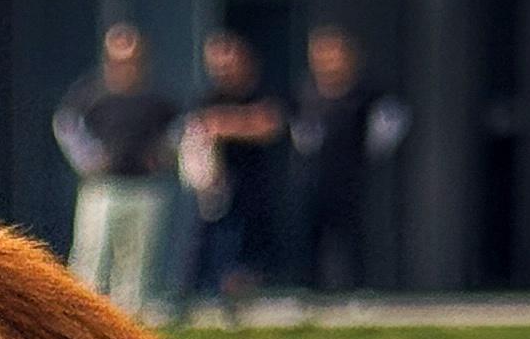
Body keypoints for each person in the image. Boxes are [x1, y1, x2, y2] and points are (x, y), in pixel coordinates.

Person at [49, 20, 178, 319]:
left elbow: (177, 131)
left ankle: (130, 323)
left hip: (145, 189)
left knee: (138, 264)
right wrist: (89, 159)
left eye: (133, 59)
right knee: (91, 258)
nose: (126, 66)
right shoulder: (90, 94)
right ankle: (84, 320)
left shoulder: (157, 99)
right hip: (102, 190)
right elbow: (66, 125)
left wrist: (164, 156)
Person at [289, 21, 411, 302]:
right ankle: (309, 291)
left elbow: (391, 125)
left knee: (354, 236)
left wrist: (373, 149)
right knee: (310, 235)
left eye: (333, 54)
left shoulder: (368, 95)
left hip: (353, 178)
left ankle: (360, 289)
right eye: (320, 55)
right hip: (314, 177)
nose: (327, 62)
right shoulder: (306, 93)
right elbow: (297, 130)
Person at [176, 27, 287, 322]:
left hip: (257, 189)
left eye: (227, 62)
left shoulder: (264, 93)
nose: (222, 71)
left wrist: (225, 125)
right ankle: (198, 305)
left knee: (251, 254)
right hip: (218, 192)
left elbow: (268, 125)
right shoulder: (206, 98)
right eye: (216, 65)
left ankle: (243, 307)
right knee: (208, 249)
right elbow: (195, 134)